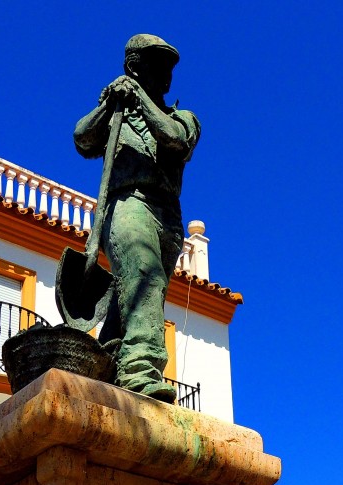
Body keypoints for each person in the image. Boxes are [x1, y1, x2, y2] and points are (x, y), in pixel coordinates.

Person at [72, 34, 200, 403]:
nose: (167, 74)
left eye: (170, 67)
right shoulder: (116, 115)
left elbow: (175, 140)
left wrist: (137, 98)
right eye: (158, 65)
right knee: (144, 275)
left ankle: (107, 362)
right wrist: (109, 105)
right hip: (128, 203)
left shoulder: (183, 117)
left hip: (169, 217)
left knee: (131, 292)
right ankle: (140, 370)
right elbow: (82, 138)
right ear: (134, 67)